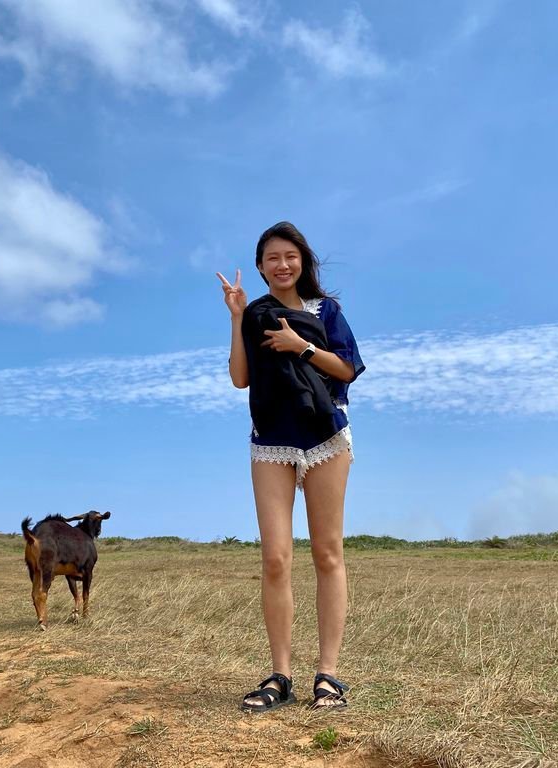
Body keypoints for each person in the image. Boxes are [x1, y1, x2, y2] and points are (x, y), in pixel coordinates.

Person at [216, 221, 365, 713]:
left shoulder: (328, 311)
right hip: (271, 441)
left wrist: (299, 346)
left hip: (326, 437)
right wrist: (237, 318)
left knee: (327, 553)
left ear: (303, 260)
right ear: (260, 267)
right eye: (272, 258)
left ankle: (329, 675)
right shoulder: (256, 314)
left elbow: (347, 369)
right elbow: (240, 378)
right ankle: (280, 675)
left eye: (290, 256)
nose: (282, 264)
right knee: (276, 558)